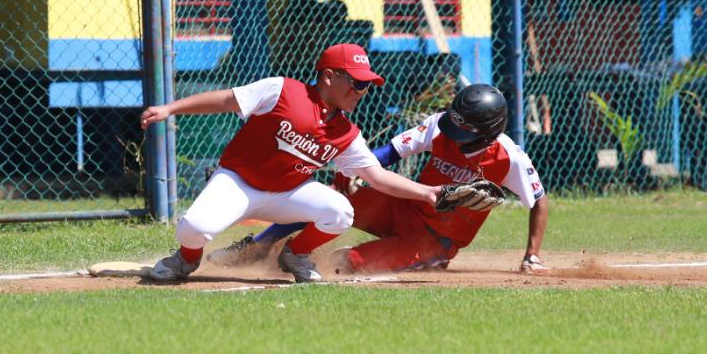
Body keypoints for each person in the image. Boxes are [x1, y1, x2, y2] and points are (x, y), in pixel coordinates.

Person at [137, 43, 449, 284]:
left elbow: (377, 177)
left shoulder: (347, 134)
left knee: (340, 212)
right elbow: (226, 100)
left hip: (287, 195)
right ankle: (187, 259)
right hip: (238, 183)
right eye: (356, 83)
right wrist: (170, 108)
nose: (362, 92)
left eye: (367, 85)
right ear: (328, 76)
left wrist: (428, 192)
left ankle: (295, 255)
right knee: (193, 229)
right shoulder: (283, 90)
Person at [215, 83, 550, 275]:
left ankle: (425, 260)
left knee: (345, 264)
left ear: (486, 132)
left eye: (461, 129)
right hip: (404, 207)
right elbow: (387, 154)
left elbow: (539, 200)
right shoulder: (439, 126)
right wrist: (352, 172)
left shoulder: (509, 158)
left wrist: (531, 254)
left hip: (433, 239)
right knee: (327, 201)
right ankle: (259, 246)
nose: (451, 132)